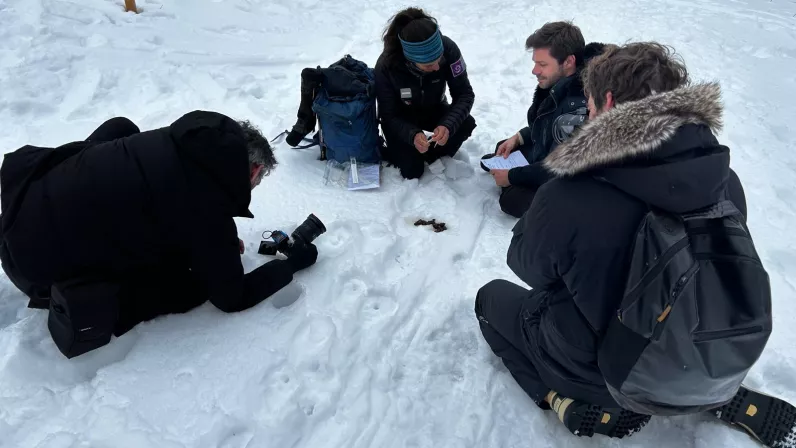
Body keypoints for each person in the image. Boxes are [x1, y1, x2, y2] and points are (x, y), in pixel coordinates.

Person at [475, 42, 795, 446]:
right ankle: (695, 389)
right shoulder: (723, 181)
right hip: (701, 345)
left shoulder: (570, 194)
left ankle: (558, 396)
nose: (587, 113)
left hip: (605, 370)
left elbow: (526, 267)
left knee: (489, 300)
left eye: (589, 103)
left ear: (607, 103)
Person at [0, 111, 319, 358]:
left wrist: (209, 243)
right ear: (252, 171)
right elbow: (232, 298)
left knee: (121, 128)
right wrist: (290, 265)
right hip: (36, 272)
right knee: (192, 285)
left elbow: (161, 203)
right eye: (257, 182)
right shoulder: (208, 209)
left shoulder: (176, 141)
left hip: (18, 209)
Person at [480, 22, 603, 217]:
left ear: (569, 62)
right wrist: (519, 137)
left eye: (542, 64)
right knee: (501, 148)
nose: (534, 71)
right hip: (554, 152)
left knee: (512, 200)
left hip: (572, 177)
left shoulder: (578, 105)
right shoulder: (561, 83)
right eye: (535, 62)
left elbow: (560, 167)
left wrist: (512, 177)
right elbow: (549, 124)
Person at [375, 7, 477, 180]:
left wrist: (447, 125)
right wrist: (412, 135)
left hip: (433, 106)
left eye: (439, 60)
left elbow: (465, 94)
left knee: (466, 123)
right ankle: (408, 153)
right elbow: (388, 115)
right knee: (412, 171)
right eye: (429, 65)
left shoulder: (449, 49)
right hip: (401, 117)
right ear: (411, 61)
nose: (437, 67)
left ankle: (433, 152)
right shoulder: (387, 66)